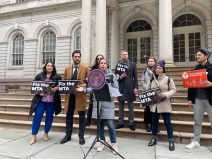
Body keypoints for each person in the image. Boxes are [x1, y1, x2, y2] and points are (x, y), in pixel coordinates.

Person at [60, 50, 89, 145]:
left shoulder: (85, 68)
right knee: (69, 116)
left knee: (81, 117)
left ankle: (81, 136)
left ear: (80, 58)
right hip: (70, 96)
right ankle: (68, 135)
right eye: (75, 56)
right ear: (72, 57)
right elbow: (65, 81)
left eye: (78, 57)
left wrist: (83, 86)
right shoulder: (67, 68)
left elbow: (88, 81)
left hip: (80, 96)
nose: (77, 58)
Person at [29, 61, 62, 145]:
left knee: (49, 117)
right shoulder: (39, 76)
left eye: (51, 66)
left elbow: (62, 88)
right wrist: (39, 92)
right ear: (45, 67)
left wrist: (57, 88)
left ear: (53, 67)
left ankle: (46, 133)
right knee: (37, 117)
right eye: (48, 65)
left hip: (51, 101)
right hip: (41, 100)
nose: (49, 67)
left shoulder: (57, 77)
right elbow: (34, 87)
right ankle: (33, 135)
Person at [91, 59, 119, 154]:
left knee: (110, 125)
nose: (103, 64)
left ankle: (113, 143)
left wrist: (114, 94)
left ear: (107, 65)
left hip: (108, 103)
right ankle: (102, 142)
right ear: (99, 66)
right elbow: (92, 88)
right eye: (101, 63)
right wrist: (83, 89)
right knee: (100, 124)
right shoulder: (95, 75)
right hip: (98, 102)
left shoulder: (112, 75)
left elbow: (116, 87)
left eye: (104, 63)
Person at [186, 48, 212, 149]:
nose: (197, 56)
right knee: (197, 121)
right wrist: (189, 99)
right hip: (197, 99)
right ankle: (196, 141)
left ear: (206, 56)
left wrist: (211, 84)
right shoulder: (194, 69)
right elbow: (190, 86)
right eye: (197, 55)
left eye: (199, 55)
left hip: (210, 99)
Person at [147, 60, 176, 151]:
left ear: (163, 70)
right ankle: (153, 138)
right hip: (154, 105)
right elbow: (147, 90)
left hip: (164, 104)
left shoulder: (168, 79)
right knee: (154, 122)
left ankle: (171, 141)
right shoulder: (151, 79)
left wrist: (166, 94)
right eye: (156, 68)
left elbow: (174, 90)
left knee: (167, 123)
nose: (157, 69)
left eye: (159, 68)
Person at [115, 50, 138, 131]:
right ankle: (121, 122)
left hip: (130, 88)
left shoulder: (132, 64)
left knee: (131, 107)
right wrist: (121, 76)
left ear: (128, 55)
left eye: (126, 54)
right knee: (121, 107)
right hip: (121, 88)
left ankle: (131, 123)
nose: (125, 55)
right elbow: (116, 77)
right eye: (123, 54)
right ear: (121, 56)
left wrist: (135, 87)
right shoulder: (118, 65)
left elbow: (135, 77)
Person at [86, 54, 104, 126]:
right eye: (98, 59)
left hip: (102, 90)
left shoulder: (105, 67)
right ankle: (88, 121)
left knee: (102, 106)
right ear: (96, 60)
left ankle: (101, 122)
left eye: (101, 58)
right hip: (94, 89)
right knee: (91, 105)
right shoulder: (93, 68)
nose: (99, 60)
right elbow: (90, 78)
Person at [141, 57, 157, 132]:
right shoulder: (145, 71)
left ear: (154, 62)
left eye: (152, 61)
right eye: (149, 61)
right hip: (147, 92)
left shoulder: (157, 70)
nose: (150, 62)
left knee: (154, 109)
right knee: (147, 109)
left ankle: (154, 124)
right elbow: (143, 80)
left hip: (154, 91)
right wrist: (146, 88)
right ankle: (147, 124)